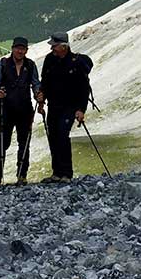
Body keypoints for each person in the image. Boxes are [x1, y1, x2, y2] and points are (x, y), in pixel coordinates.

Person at [36, 31, 92, 183]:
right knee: (53, 136)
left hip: (70, 107)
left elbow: (83, 88)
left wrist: (81, 109)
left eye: (54, 46)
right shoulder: (50, 60)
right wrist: (41, 100)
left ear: (63, 46)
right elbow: (45, 82)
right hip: (54, 105)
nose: (52, 49)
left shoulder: (75, 62)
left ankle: (66, 173)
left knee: (62, 134)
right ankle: (57, 173)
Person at [0, 37, 40, 188]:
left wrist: (38, 93)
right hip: (7, 110)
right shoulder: (2, 65)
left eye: (23, 48)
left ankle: (21, 176)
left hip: (24, 110)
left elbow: (36, 83)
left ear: (26, 50)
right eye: (18, 48)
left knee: (24, 143)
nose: (20, 51)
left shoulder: (30, 65)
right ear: (12, 48)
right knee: (3, 144)